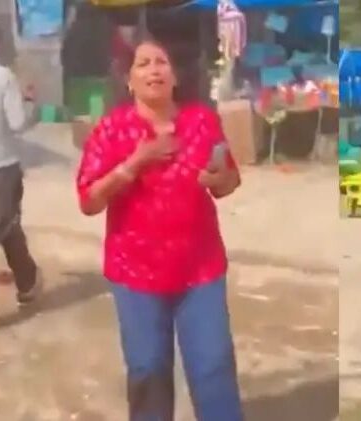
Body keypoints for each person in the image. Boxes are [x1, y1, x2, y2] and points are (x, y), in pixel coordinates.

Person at [75, 38, 243, 420]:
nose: (154, 69)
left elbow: (229, 181)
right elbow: (88, 201)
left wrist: (220, 178)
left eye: (161, 62)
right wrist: (136, 162)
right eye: (143, 63)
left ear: (175, 76)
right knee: (147, 369)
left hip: (199, 268)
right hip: (135, 272)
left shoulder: (201, 121)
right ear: (129, 80)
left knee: (214, 366)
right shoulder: (112, 129)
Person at [0, 17, 42, 305]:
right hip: (1, 169)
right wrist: (29, 103)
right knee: (9, 226)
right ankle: (27, 285)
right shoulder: (3, 76)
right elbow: (17, 123)